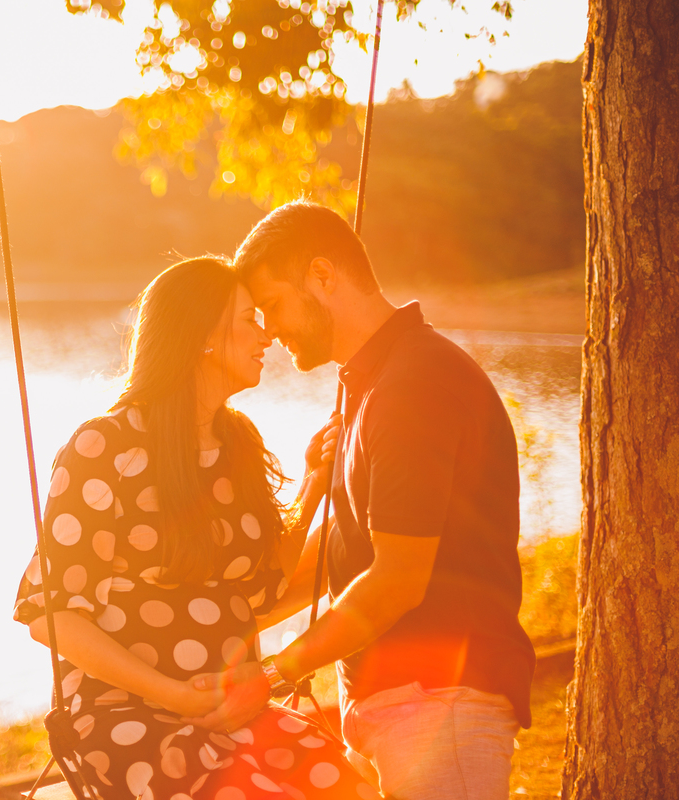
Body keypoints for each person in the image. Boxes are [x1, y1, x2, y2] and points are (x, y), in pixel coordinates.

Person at [13, 257, 377, 800]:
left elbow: (260, 588)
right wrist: (178, 697)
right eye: (250, 319)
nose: (267, 335)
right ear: (203, 336)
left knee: (345, 788)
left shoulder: (240, 446)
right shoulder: (103, 448)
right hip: (126, 718)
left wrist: (314, 486)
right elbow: (53, 615)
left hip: (230, 717)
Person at [206, 201, 536, 800]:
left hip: (441, 705)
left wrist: (277, 671)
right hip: (392, 707)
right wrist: (211, 630)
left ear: (323, 277)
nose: (271, 331)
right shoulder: (371, 384)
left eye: (274, 305)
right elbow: (341, 565)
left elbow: (396, 581)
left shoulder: (415, 383)